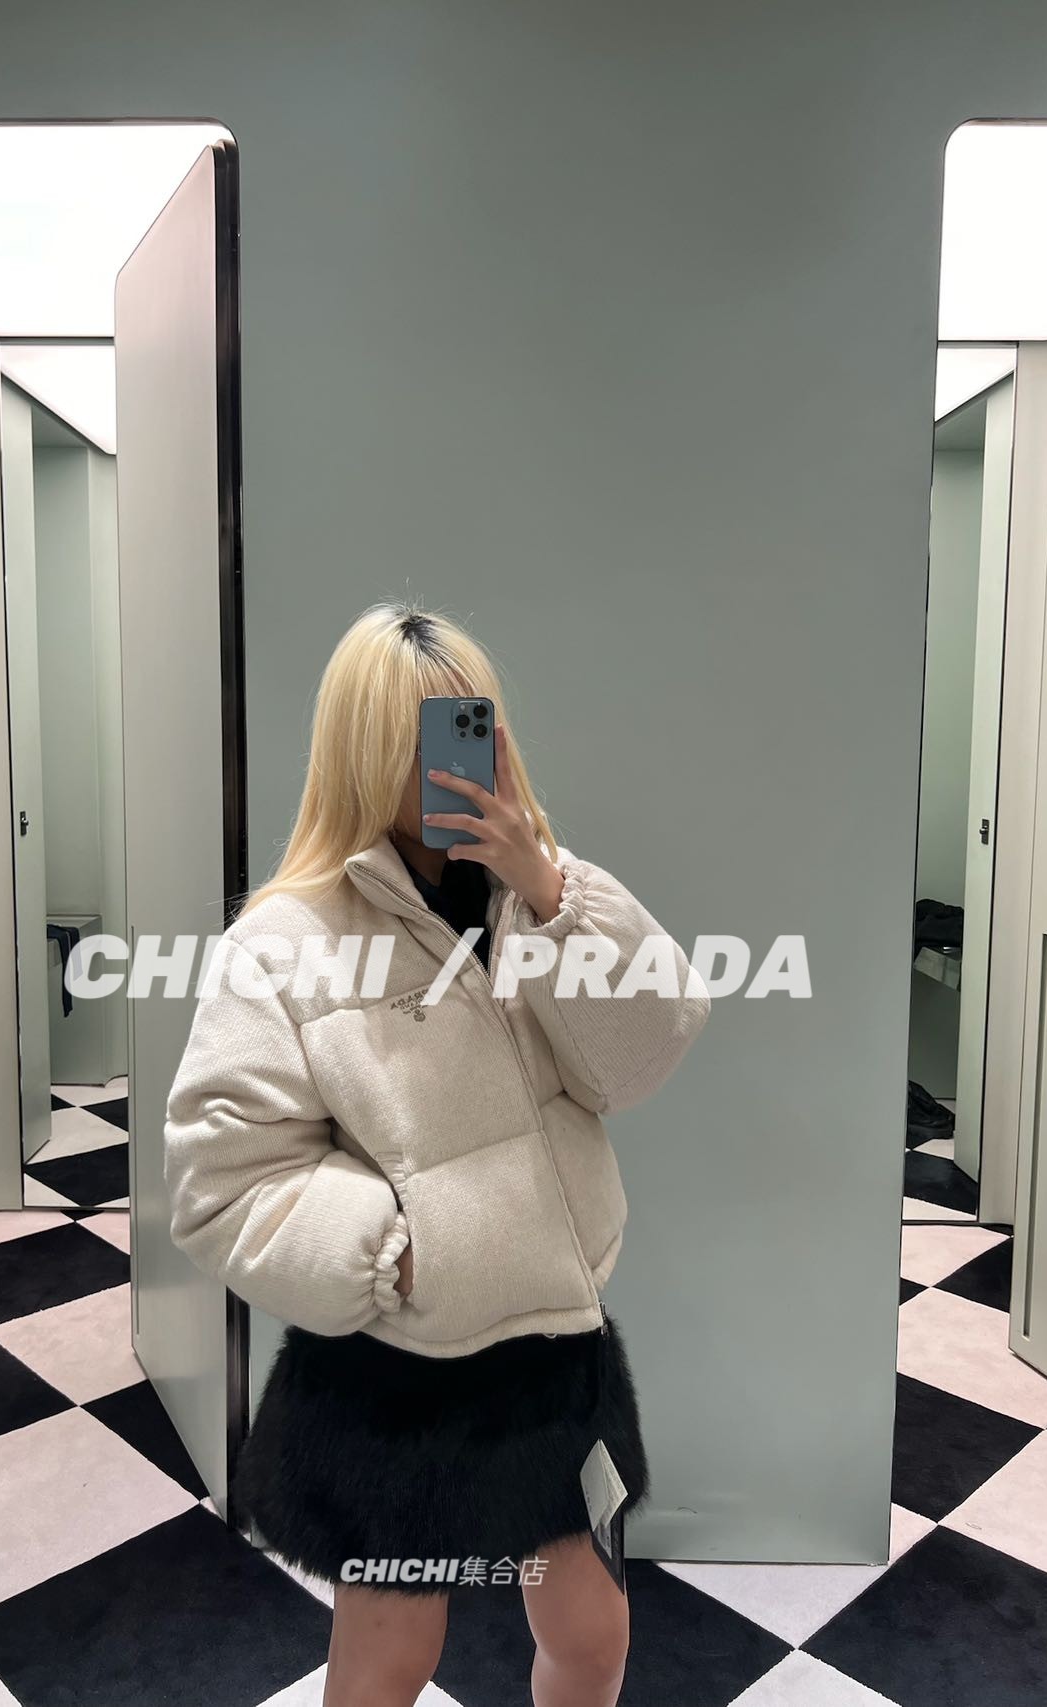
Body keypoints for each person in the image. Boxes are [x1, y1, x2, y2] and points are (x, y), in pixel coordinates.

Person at [164, 602, 710, 1707]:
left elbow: (644, 1055)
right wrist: (401, 1253)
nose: (454, 763)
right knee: (389, 1659)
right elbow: (223, 1183)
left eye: (470, 727)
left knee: (592, 1632)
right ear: (363, 752)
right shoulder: (283, 942)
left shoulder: (541, 895)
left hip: (552, 1360)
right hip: (396, 1380)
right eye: (417, 737)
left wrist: (552, 896)